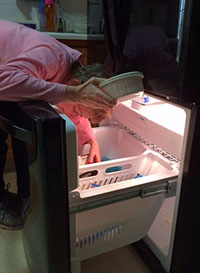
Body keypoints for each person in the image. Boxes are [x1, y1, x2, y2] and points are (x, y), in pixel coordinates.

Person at [0, 20, 117, 230]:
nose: (79, 117)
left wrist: (91, 139)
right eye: (81, 112)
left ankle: (24, 197)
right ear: (73, 86)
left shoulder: (69, 71)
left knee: (20, 113)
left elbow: (77, 111)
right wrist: (71, 95)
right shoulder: (52, 58)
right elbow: (4, 81)